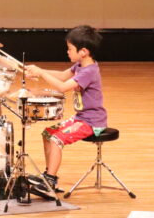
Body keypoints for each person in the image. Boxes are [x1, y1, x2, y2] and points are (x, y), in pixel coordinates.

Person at [21, 25, 107, 196]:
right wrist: (38, 71)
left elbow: (62, 87)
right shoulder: (80, 65)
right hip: (81, 118)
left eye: (70, 49)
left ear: (83, 51)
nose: (67, 52)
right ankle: (48, 176)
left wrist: (41, 73)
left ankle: (50, 180)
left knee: (56, 139)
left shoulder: (89, 71)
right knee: (48, 134)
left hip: (92, 122)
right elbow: (61, 75)